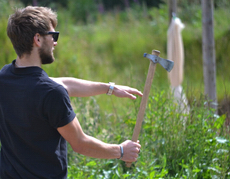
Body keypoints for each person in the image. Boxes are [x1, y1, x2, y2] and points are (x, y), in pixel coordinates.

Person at [0, 6, 142, 178]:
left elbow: (63, 84)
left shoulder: (5, 77)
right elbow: (80, 143)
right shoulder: (51, 93)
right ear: (37, 39)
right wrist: (120, 151)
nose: (55, 42)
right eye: (53, 36)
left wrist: (109, 88)